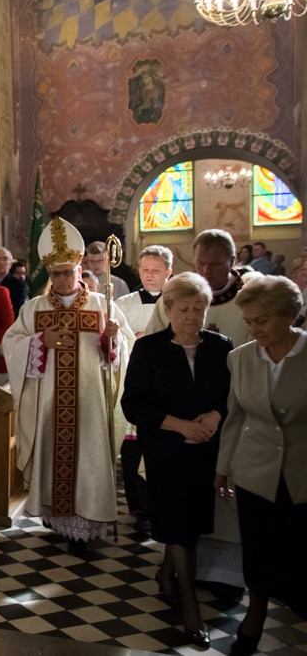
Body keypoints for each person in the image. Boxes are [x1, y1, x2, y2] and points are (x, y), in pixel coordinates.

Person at [3, 217, 134, 556]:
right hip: (49, 404)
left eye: (68, 271)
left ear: (80, 270)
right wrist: (39, 341)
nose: (62, 279)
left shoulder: (102, 305)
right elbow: (10, 342)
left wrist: (113, 342)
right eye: (56, 273)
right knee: (54, 460)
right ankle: (57, 521)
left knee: (89, 461)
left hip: (90, 403)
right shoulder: (35, 309)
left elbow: (119, 359)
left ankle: (90, 526)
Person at [144, 228, 261, 595]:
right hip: (178, 431)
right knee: (181, 509)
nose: (207, 271)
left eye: (215, 264)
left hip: (231, 419)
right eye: (200, 263)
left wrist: (219, 412)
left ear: (232, 261)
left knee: (225, 505)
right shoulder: (178, 293)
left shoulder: (251, 295)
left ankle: (225, 576)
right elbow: (155, 347)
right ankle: (181, 570)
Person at [121, 272, 232, 649]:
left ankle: (166, 575)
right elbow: (134, 403)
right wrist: (180, 426)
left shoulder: (221, 347)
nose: (191, 315)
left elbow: (230, 397)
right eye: (183, 308)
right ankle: (190, 608)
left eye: (198, 308)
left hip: (206, 450)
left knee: (190, 524)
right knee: (178, 524)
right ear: (167, 309)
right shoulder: (149, 349)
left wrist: (217, 415)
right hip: (166, 452)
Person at [215, 276, 307, 654]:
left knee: (300, 547)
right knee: (257, 547)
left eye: (261, 321)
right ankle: (255, 611)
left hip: (303, 472)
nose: (253, 329)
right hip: (254, 472)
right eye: (249, 321)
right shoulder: (240, 357)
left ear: (288, 316)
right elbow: (234, 418)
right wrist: (222, 469)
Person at [115, 245, 173, 529]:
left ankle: (160, 501)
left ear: (168, 272)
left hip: (165, 386)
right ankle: (137, 506)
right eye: (145, 270)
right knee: (131, 447)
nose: (149, 276)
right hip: (134, 382)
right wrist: (126, 339)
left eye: (156, 271)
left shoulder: (178, 301)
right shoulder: (124, 304)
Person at [0, 246, 28, 316]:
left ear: (10, 264)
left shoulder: (18, 285)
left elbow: (17, 310)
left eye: (5, 259)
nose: (1, 262)